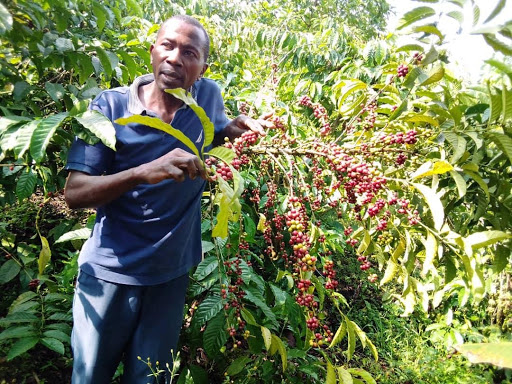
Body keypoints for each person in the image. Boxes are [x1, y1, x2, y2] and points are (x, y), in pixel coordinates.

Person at [64, 15, 270, 384]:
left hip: (172, 274)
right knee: (90, 375)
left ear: (203, 67)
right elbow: (75, 193)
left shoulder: (207, 95)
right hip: (112, 271)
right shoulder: (107, 109)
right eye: (168, 46)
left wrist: (230, 131)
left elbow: (210, 137)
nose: (175, 58)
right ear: (152, 51)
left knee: (151, 377)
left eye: (189, 53)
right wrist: (144, 171)